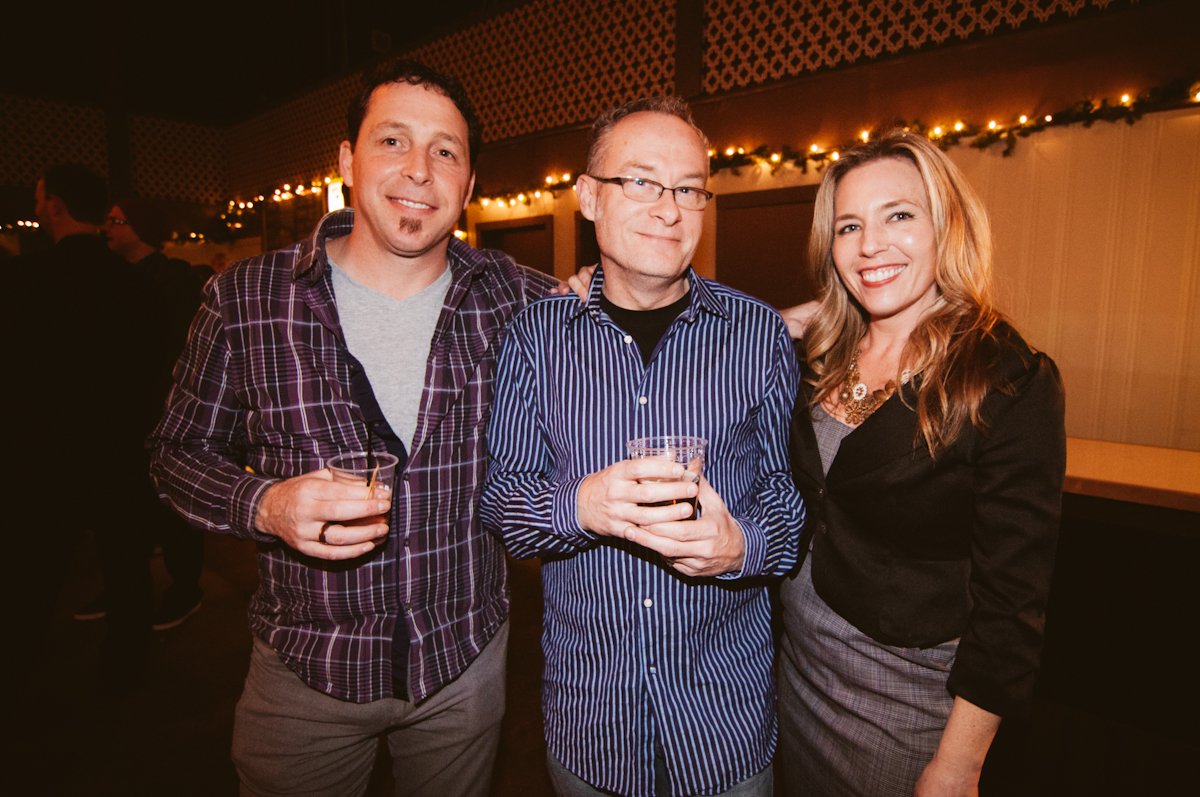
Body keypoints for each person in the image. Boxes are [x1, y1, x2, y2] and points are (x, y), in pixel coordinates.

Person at [148, 58, 560, 795]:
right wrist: (265, 504)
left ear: (468, 183)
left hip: (463, 666)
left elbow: (637, 317)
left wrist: (766, 330)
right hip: (306, 670)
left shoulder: (521, 301)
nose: (420, 170)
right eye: (392, 140)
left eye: (445, 151)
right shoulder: (247, 298)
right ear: (346, 160)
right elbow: (176, 451)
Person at [481, 97, 806, 797]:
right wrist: (582, 506)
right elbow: (501, 502)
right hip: (592, 716)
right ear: (589, 197)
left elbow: (788, 499)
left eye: (689, 189)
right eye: (641, 182)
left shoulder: (758, 336)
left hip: (724, 718)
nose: (669, 209)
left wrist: (741, 547)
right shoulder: (535, 338)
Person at [776, 128, 1066, 796]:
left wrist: (959, 764)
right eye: (849, 226)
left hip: (906, 698)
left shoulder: (1006, 379)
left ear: (946, 225)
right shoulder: (819, 353)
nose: (870, 245)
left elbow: (1012, 603)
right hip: (796, 671)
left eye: (899, 216)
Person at [10, 164, 155, 687]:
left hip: (45, 445)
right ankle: (127, 665)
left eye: (39, 198)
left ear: (55, 206)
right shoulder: (132, 281)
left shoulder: (26, 279)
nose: (35, 208)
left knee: (34, 565)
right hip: (122, 443)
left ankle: (19, 662)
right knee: (126, 559)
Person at [71, 197, 211, 631]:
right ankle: (126, 585)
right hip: (118, 413)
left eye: (116, 220)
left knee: (173, 504)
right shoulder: (105, 277)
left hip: (165, 409)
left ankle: (185, 587)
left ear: (140, 228)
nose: (107, 227)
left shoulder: (173, 279)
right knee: (122, 505)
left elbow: (183, 351)